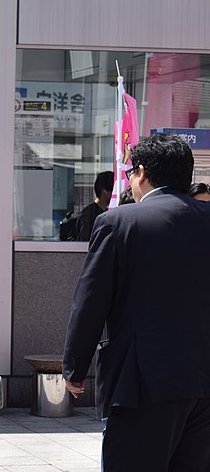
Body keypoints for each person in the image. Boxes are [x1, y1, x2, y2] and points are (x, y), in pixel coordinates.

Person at [63, 133, 210, 471]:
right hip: (203, 380)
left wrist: (74, 366)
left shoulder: (120, 222)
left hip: (143, 382)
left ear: (142, 173)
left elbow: (91, 300)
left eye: (130, 171)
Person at [75, 171, 114, 240]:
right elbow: (84, 240)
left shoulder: (105, 211)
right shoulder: (89, 214)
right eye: (113, 191)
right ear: (104, 190)